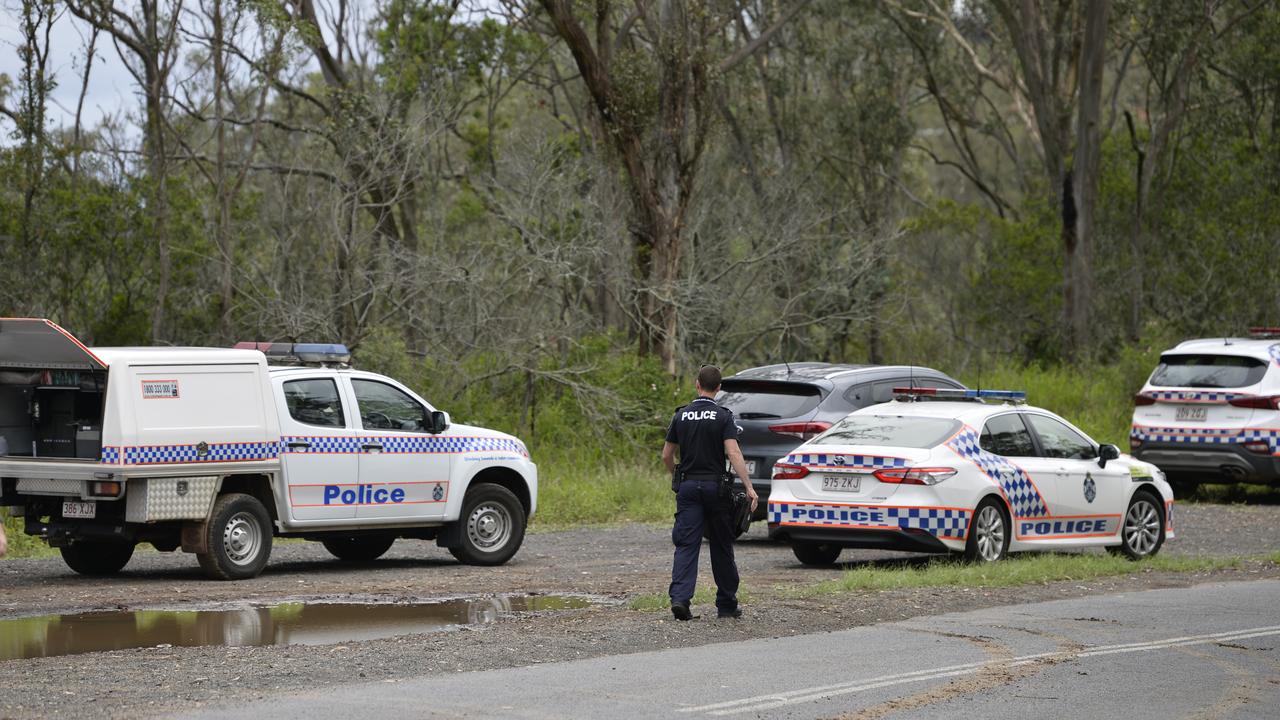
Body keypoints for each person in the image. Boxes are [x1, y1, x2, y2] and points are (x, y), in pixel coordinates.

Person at [662, 364, 758, 621]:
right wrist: (748, 487)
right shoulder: (723, 416)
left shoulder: (680, 415)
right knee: (721, 546)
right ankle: (726, 605)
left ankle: (681, 600)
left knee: (686, 545)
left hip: (689, 487)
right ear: (719, 388)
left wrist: (677, 475)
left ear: (697, 384)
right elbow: (733, 453)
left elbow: (667, 455)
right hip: (717, 488)